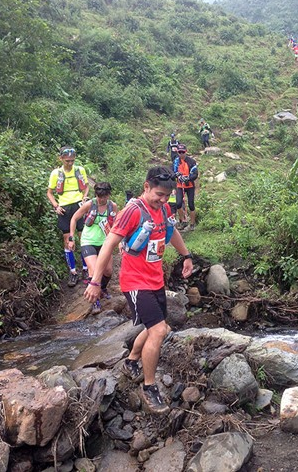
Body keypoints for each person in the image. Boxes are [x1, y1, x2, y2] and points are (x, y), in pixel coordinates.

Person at [84, 166, 193, 414]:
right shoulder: (132, 211)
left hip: (156, 280)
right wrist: (95, 281)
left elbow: (171, 231)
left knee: (159, 327)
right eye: (158, 194)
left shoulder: (163, 208)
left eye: (168, 195)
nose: (163, 200)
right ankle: (149, 386)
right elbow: (108, 245)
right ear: (146, 187)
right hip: (135, 282)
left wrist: (186, 255)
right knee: (157, 331)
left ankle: (132, 360)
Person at [68, 182, 118, 313]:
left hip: (105, 242)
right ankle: (95, 302)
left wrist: (120, 242)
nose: (102, 199)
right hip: (88, 241)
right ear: (96, 195)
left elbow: (117, 224)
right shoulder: (90, 204)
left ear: (108, 195)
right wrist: (71, 237)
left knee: (108, 271)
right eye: (99, 197)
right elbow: (74, 218)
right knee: (94, 270)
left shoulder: (112, 206)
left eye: (104, 197)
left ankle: (102, 288)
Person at [47, 146, 90, 287]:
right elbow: (50, 192)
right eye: (67, 161)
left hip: (79, 205)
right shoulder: (56, 173)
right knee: (67, 240)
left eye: (72, 160)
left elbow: (86, 187)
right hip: (64, 208)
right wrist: (56, 206)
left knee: (83, 237)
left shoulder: (80, 170)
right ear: (61, 159)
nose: (70, 163)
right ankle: (73, 272)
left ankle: (86, 268)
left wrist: (84, 198)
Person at [172, 144, 199, 231]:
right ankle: (183, 220)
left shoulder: (191, 161)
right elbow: (172, 172)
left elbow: (195, 174)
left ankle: (192, 223)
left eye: (182, 152)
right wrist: (177, 175)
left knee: (191, 205)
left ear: (186, 152)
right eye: (179, 152)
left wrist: (188, 178)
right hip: (180, 185)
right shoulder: (176, 161)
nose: (181, 154)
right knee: (178, 203)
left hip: (190, 185)